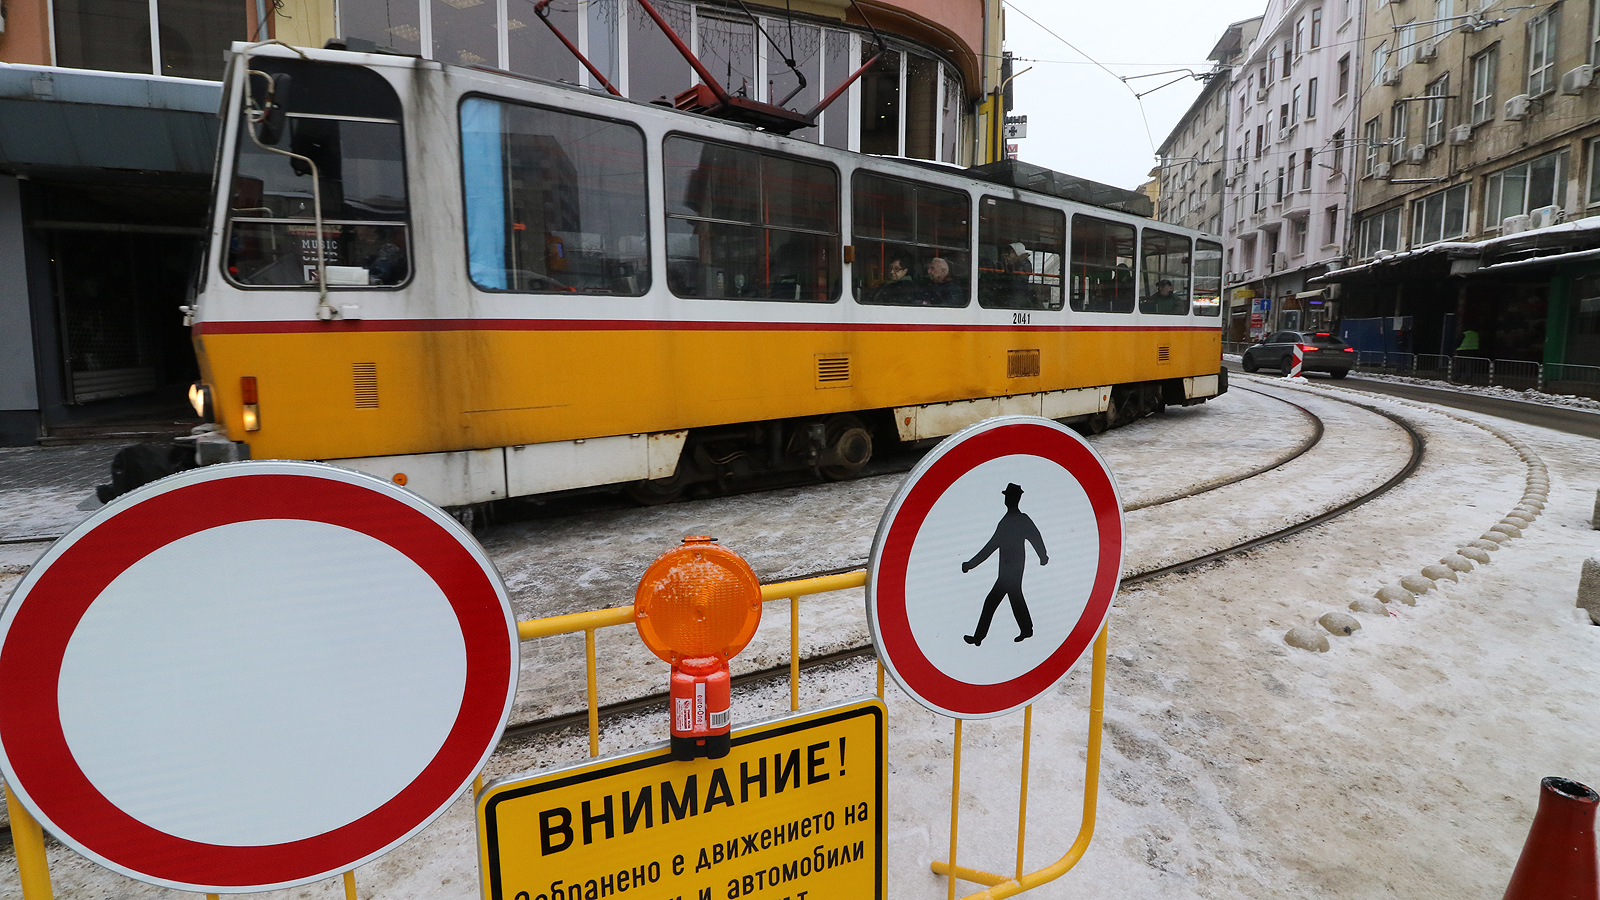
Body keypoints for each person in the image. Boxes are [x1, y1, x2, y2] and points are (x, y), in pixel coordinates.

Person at [961, 482, 1049, 646]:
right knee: (1014, 597)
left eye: (1008, 496)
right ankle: (1026, 630)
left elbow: (1035, 537)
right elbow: (991, 546)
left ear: (1013, 499)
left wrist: (1043, 556)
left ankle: (979, 637)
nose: (1007, 499)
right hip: (1007, 570)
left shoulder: (1019, 520)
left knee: (994, 601)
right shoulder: (1006, 521)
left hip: (1013, 569)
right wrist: (970, 564)